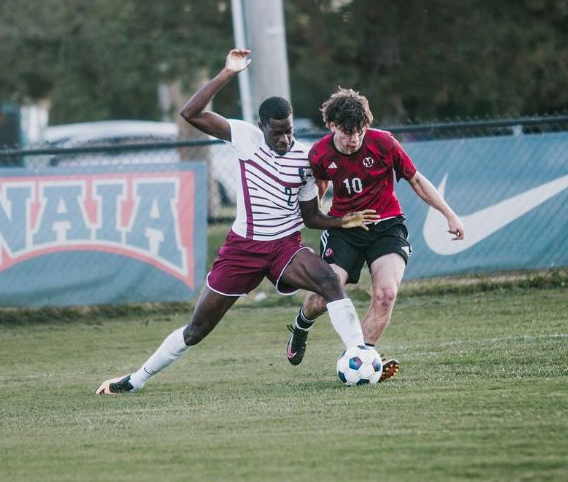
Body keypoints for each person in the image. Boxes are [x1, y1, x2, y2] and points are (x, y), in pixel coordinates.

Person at [95, 50, 381, 395]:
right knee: (195, 331)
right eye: (277, 133)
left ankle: (357, 351)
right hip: (242, 248)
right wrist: (227, 73)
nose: (284, 139)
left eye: (289, 132)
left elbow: (311, 217)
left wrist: (341, 221)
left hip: (284, 247)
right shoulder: (243, 136)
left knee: (328, 281)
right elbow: (190, 113)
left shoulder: (305, 158)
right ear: (262, 127)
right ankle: (134, 380)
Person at [284, 87, 466, 382]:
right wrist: (325, 218)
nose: (354, 139)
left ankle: (363, 360)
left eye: (359, 131)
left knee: (386, 294)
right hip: (346, 228)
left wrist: (449, 213)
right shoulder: (319, 154)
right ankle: (301, 327)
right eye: (346, 133)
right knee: (321, 297)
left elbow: (416, 180)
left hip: (387, 226)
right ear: (332, 126)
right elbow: (317, 192)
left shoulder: (384, 143)